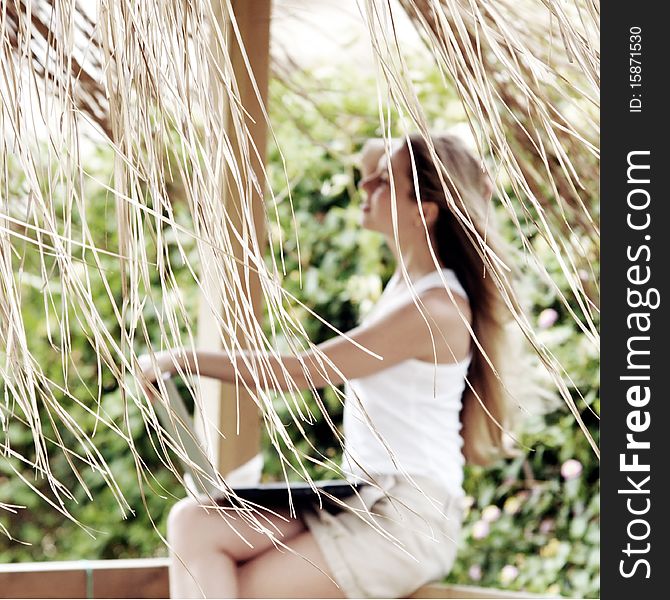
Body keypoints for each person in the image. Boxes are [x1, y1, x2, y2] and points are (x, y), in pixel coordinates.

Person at [139, 132, 517, 599]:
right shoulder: (407, 287)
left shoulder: (434, 309)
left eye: (381, 182)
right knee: (196, 523)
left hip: (404, 521)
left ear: (424, 209)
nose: (364, 189)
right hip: (363, 501)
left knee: (240, 587)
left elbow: (304, 371)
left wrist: (184, 359)